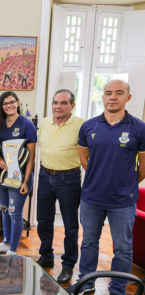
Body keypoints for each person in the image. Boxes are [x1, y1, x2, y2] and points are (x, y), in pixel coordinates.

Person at [67, 80, 145, 295]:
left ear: (127, 98)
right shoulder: (89, 126)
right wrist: (96, 178)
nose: (112, 97)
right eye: (108, 93)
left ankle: (117, 292)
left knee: (122, 248)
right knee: (89, 243)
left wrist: (126, 184)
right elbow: (84, 158)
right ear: (103, 97)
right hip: (91, 198)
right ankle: (86, 283)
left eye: (119, 93)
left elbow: (143, 167)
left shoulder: (139, 128)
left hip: (122, 201)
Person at [36, 89, 85, 284]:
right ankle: (46, 255)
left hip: (69, 178)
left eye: (63, 103)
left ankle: (68, 265)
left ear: (72, 106)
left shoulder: (82, 125)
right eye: (55, 102)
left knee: (70, 225)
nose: (58, 106)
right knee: (44, 220)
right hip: (45, 175)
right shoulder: (45, 123)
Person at [0, 91, 37, 255]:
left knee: (15, 213)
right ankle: (6, 242)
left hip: (20, 177)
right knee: (4, 209)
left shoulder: (27, 125)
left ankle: (13, 250)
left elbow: (31, 157)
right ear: (2, 107)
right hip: (1, 175)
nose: (8, 106)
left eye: (11, 102)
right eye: (5, 103)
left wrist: (26, 181)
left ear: (18, 103)